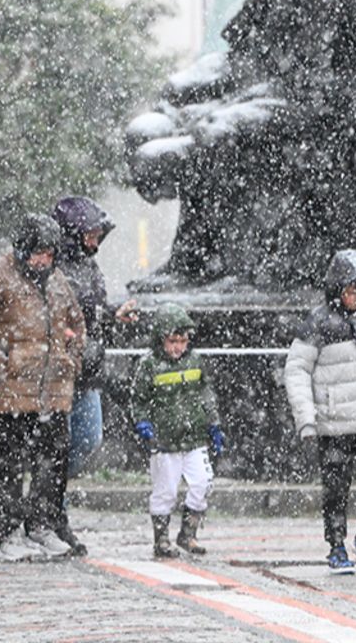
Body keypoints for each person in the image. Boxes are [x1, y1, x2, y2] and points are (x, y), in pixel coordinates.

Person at [0, 214, 85, 561]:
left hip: (52, 393)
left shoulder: (58, 281)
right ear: (22, 249)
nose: (43, 261)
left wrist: (70, 358)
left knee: (52, 464)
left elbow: (77, 323)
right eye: (38, 253)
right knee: (8, 466)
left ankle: (41, 525)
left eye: (49, 253)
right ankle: (9, 532)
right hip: (7, 396)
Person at [284, 249, 356, 574]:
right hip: (334, 422)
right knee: (336, 487)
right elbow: (297, 370)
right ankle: (336, 545)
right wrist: (306, 417)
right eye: (351, 290)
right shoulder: (318, 323)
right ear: (336, 288)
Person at [50, 197, 138, 481]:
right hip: (60, 368)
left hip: (87, 368)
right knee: (58, 443)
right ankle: (51, 502)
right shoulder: (54, 267)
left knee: (89, 437)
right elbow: (70, 308)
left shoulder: (89, 267)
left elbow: (93, 306)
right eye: (90, 236)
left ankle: (52, 488)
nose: (95, 243)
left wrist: (113, 313)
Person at [129, 303, 224, 559]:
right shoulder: (149, 365)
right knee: (165, 491)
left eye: (182, 341)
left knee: (203, 483)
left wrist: (213, 423)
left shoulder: (195, 362)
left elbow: (206, 393)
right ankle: (161, 539)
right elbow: (138, 399)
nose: (178, 347)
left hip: (194, 438)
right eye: (173, 341)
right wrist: (143, 423)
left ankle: (188, 532)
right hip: (164, 441)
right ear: (161, 339)